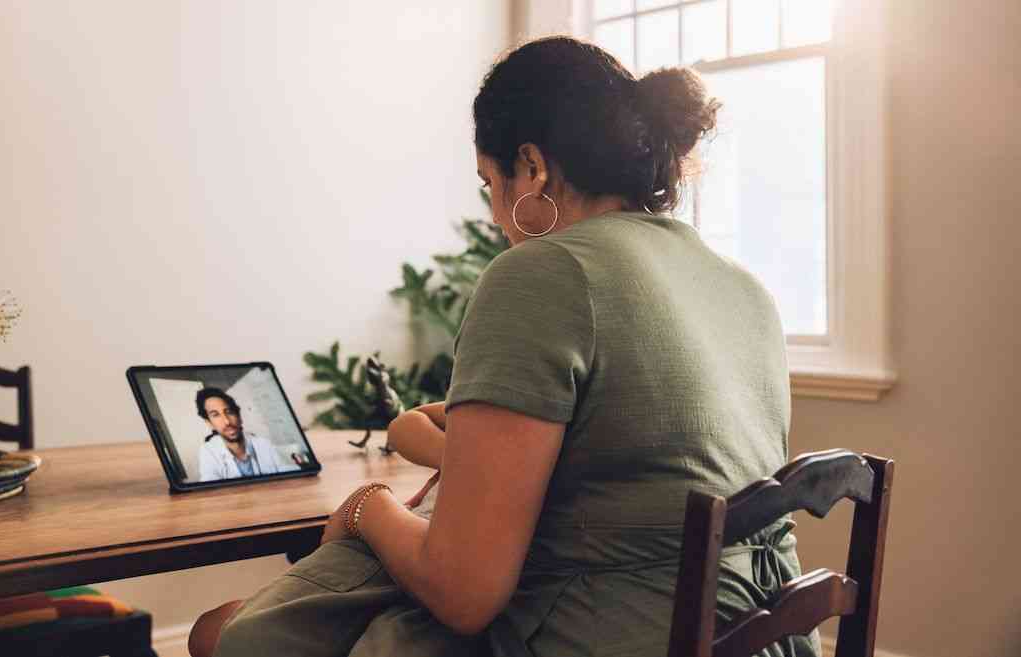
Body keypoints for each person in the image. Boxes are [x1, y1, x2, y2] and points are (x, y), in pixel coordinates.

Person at [190, 35, 819, 657]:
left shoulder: (542, 273)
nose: (494, 212)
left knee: (235, 634)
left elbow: (464, 591)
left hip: (618, 632)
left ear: (533, 168)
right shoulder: (742, 287)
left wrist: (366, 507)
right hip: (767, 632)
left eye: (489, 182)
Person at [195, 387, 289, 480]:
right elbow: (210, 484)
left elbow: (287, 471)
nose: (227, 421)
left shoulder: (264, 444)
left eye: (229, 412)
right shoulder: (208, 451)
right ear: (209, 423)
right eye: (215, 415)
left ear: (239, 417)